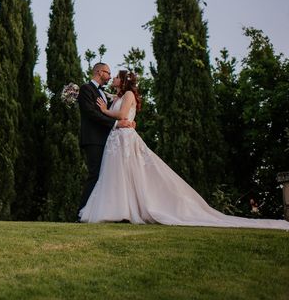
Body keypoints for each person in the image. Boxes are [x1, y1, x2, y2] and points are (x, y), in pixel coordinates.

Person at [78, 70, 289, 230]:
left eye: (116, 76)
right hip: (114, 140)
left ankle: (134, 209)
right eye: (110, 74)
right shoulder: (114, 96)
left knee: (132, 174)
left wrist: (106, 111)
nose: (112, 77)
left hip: (124, 139)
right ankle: (116, 209)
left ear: (123, 81)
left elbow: (123, 116)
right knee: (115, 176)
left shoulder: (128, 96)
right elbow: (107, 109)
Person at [77, 63, 134, 217]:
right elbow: (91, 113)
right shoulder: (86, 89)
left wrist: (128, 120)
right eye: (108, 73)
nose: (110, 77)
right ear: (99, 72)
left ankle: (108, 212)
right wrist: (116, 123)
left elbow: (115, 112)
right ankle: (82, 213)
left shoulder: (107, 94)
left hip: (110, 141)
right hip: (94, 139)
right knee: (95, 175)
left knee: (108, 176)